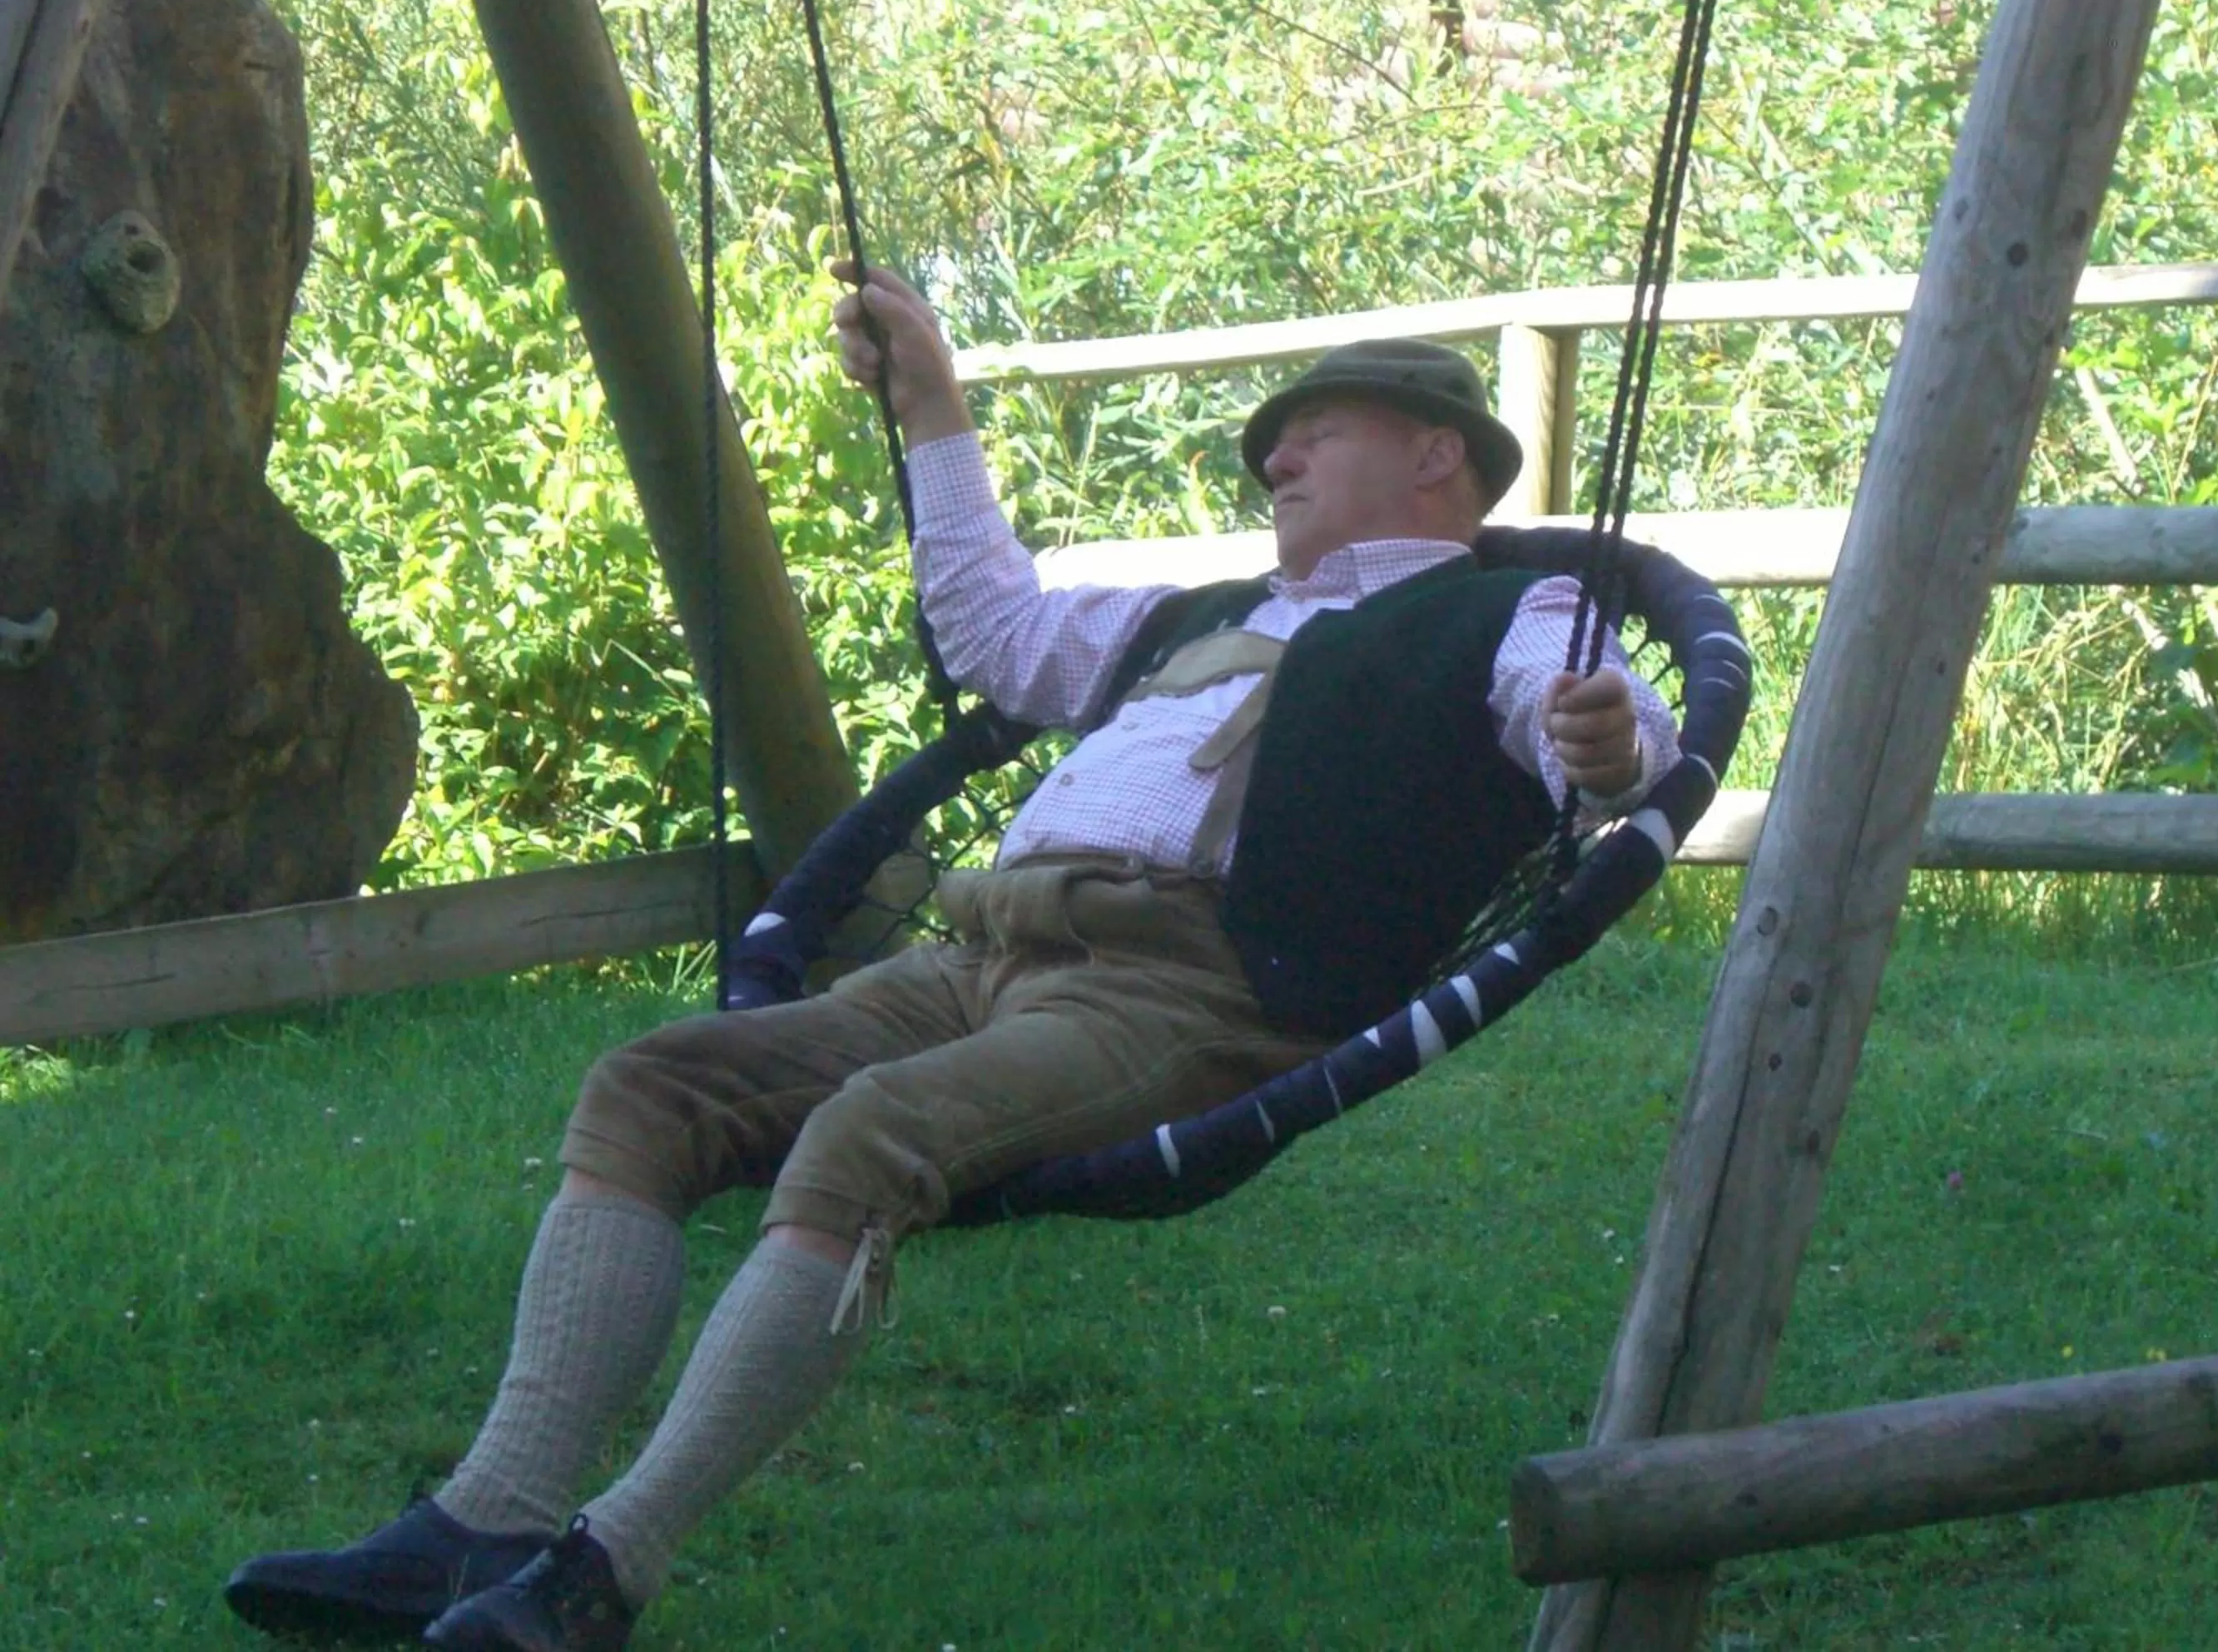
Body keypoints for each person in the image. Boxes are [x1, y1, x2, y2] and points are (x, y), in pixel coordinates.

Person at [221, 268, 1679, 1650]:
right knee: (650, 1083)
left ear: (1438, 457)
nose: (1277, 457)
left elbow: (1585, 723)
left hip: (1197, 989)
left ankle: (599, 1573)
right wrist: (931, 407)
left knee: (869, 1138)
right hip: (985, 953)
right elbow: (993, 630)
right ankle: (490, 1516)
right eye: (1275, 443)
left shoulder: (1512, 608)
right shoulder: (1202, 615)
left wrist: (1605, 740)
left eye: (1315, 430)